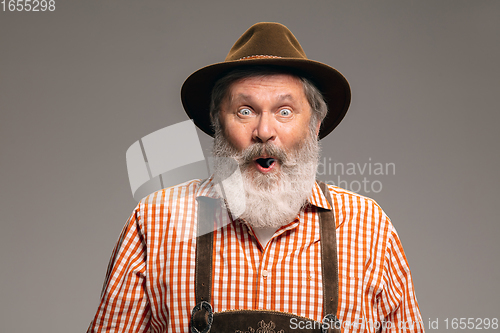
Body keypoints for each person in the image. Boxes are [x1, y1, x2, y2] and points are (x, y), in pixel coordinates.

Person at [87, 22, 424, 332]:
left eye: (285, 111)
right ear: (218, 125)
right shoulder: (155, 221)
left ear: (314, 126)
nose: (264, 131)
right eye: (244, 111)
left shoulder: (369, 229)